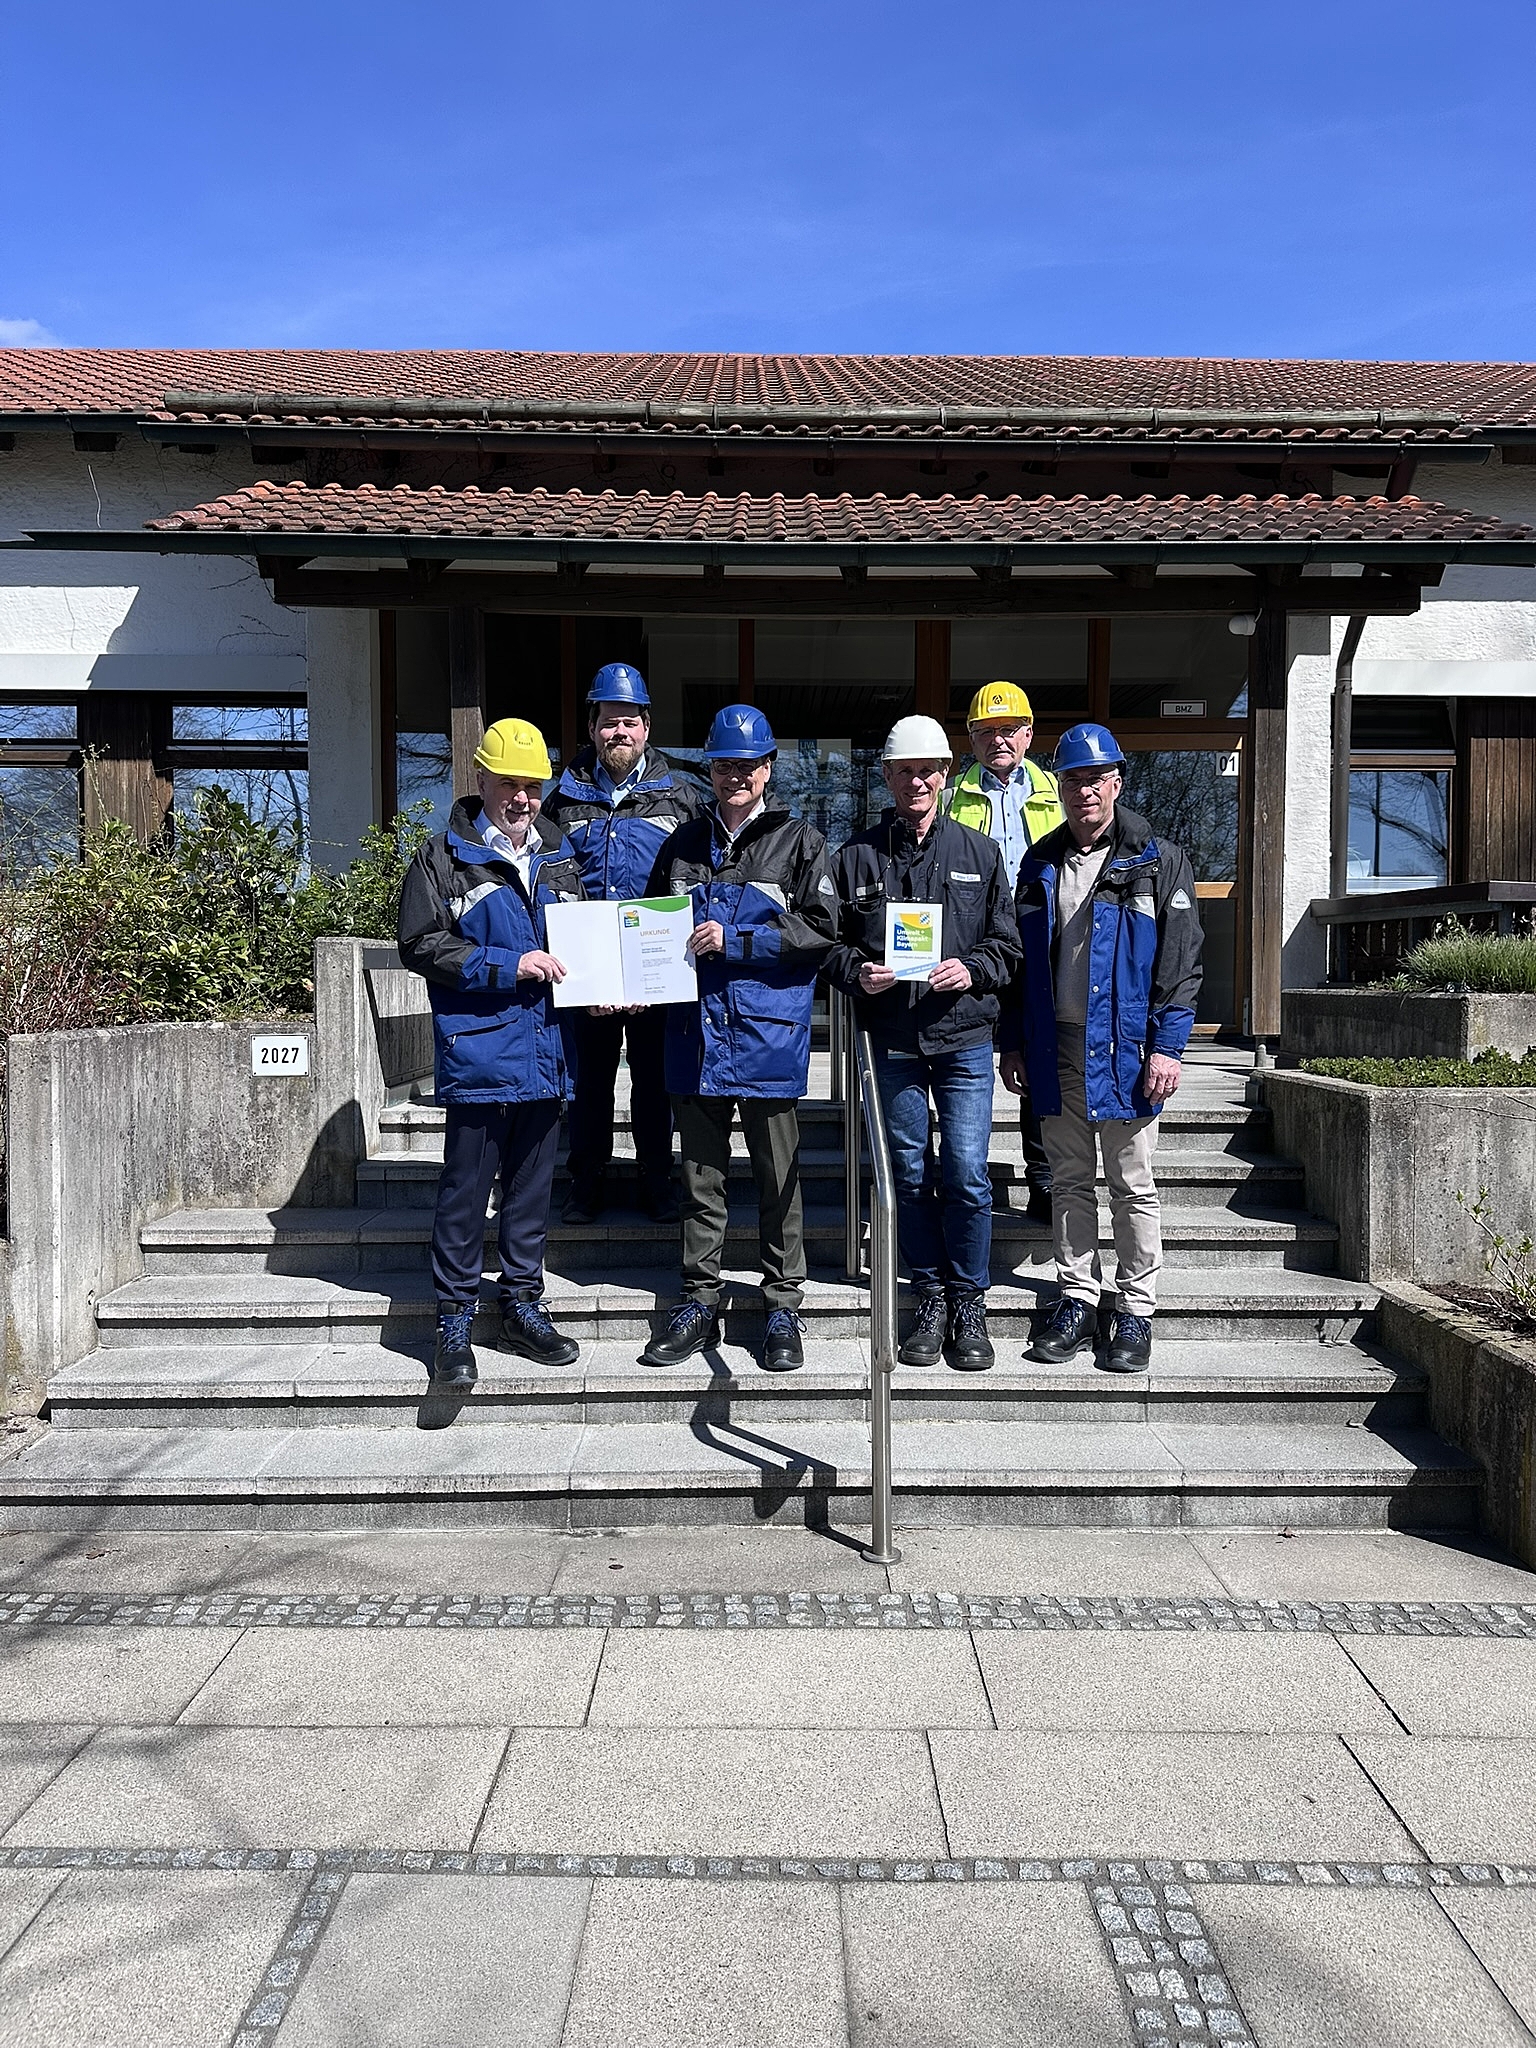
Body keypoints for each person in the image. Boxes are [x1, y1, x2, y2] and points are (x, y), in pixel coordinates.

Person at [1000, 722, 1203, 1374]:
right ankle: (1077, 1297)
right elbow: (1019, 964)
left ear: (1117, 781)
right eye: (1073, 778)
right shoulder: (1038, 863)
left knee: (1131, 1182)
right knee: (1067, 1180)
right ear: (1057, 786)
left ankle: (1136, 1309)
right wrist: (1015, 1041)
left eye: (1096, 777)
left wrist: (1168, 1047)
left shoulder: (1157, 860)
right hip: (1055, 1044)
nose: (1085, 789)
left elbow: (1182, 963)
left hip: (1127, 1049)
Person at [640, 704, 836, 1374]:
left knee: (779, 1179)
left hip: (766, 1038)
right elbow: (649, 926)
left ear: (768, 769)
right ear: (711, 769)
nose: (735, 777)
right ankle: (701, 1298)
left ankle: (781, 1303)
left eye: (748, 766)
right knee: (701, 1179)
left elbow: (820, 932)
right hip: (693, 1039)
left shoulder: (800, 842)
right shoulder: (681, 845)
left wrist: (740, 939)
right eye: (724, 765)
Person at [826, 715, 1022, 1372]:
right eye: (905, 770)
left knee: (966, 1175)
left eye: (928, 770)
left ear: (944, 776)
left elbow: (1007, 947)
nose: (917, 779)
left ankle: (970, 1300)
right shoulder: (854, 857)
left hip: (963, 1039)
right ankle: (929, 1293)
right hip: (894, 1043)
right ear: (886, 776)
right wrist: (859, 973)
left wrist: (973, 968)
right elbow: (827, 945)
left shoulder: (978, 853)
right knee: (908, 1176)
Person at [398, 717, 585, 1387]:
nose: (521, 798)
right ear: (479, 779)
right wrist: (511, 966)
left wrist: (604, 986)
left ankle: (521, 1305)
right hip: (481, 1053)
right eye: (508, 783)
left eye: (532, 786)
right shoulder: (442, 857)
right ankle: (452, 1318)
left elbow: (580, 947)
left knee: (531, 1194)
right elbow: (420, 944)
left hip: (547, 1054)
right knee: (464, 1193)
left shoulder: (562, 857)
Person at [542, 662, 704, 1225]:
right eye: (610, 722)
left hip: (655, 971)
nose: (620, 733)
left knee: (655, 1086)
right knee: (588, 1086)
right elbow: (548, 881)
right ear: (592, 727)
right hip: (586, 976)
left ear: (647, 727)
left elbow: (691, 883)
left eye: (630, 722)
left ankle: (656, 1182)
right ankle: (585, 1182)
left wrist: (655, 972)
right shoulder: (560, 801)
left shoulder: (681, 798)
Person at [942, 681, 1063, 1226]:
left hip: (1040, 939)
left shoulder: (1055, 793)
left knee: (1039, 1059)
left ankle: (1042, 1176)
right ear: (968, 739)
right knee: (962, 1059)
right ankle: (960, 1173)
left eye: (1008, 730)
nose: (998, 740)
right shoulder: (949, 793)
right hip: (976, 945)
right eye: (985, 731)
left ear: (1029, 734)